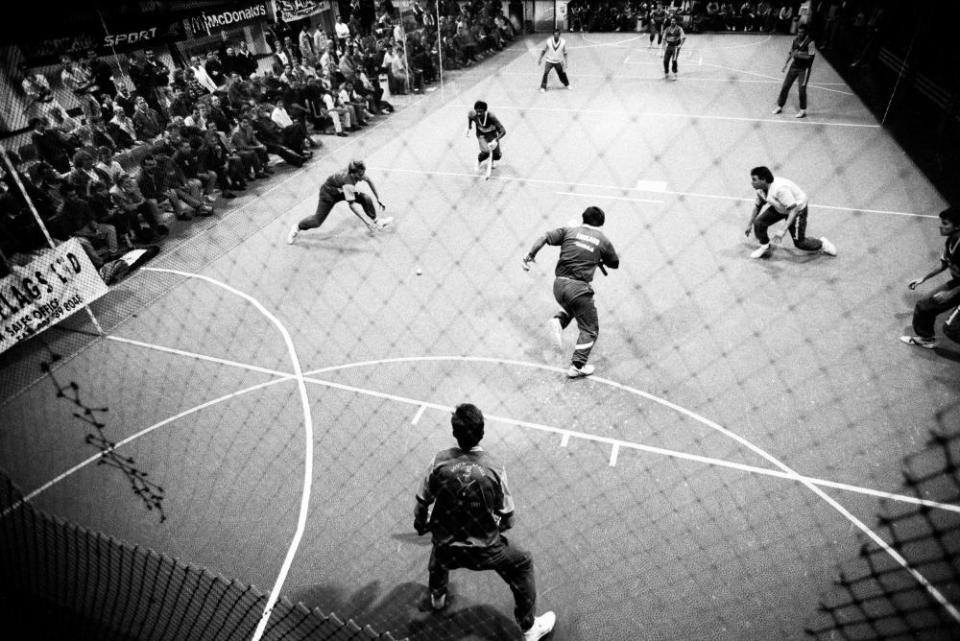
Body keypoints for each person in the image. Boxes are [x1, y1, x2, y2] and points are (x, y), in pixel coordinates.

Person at [413, 403, 557, 641]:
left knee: (438, 548)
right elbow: (509, 519)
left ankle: (437, 597)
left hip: (448, 548)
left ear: (454, 432)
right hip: (486, 550)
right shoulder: (494, 468)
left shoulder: (438, 462)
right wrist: (491, 526)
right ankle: (529, 627)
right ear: (482, 432)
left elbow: (421, 504)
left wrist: (421, 524)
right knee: (522, 563)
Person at [522, 206, 620, 378]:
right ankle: (577, 366)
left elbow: (544, 237)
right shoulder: (602, 240)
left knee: (574, 307)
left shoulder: (569, 230)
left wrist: (530, 255)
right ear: (601, 223)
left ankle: (558, 321)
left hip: (559, 286)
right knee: (590, 329)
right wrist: (600, 258)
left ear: (583, 218)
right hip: (579, 289)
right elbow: (614, 263)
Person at [287, 160, 392, 243]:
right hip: (328, 194)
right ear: (353, 174)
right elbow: (352, 206)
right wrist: (366, 222)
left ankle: (378, 222)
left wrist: (378, 198)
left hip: (340, 190)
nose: (362, 177)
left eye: (363, 173)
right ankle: (296, 227)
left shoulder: (356, 172)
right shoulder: (348, 182)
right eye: (360, 175)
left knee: (365, 198)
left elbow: (369, 181)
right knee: (317, 221)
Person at [744, 166, 836, 259]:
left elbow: (793, 209)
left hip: (797, 210)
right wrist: (749, 224)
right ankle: (765, 247)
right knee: (759, 223)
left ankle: (823, 244)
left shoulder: (780, 189)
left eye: (754, 180)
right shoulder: (761, 190)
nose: (752, 182)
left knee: (800, 243)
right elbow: (757, 207)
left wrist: (782, 230)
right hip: (781, 207)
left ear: (763, 179)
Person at [900, 207, 960, 349]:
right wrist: (923, 278)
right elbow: (944, 264)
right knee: (924, 306)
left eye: (945, 223)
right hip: (958, 283)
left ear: (957, 226)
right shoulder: (951, 241)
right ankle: (927, 339)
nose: (940, 226)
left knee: (950, 329)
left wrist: (950, 293)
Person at [772, 23, 814, 118]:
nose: (800, 34)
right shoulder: (795, 40)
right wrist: (786, 64)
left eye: (802, 32)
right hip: (794, 67)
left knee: (801, 90)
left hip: (804, 69)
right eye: (798, 32)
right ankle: (780, 106)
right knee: (785, 86)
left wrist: (799, 54)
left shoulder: (811, 43)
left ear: (805, 32)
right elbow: (791, 53)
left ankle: (803, 110)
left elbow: (810, 57)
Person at [465, 100, 506, 179]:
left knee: (497, 156)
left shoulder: (491, 117)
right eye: (477, 111)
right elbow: (469, 117)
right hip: (481, 135)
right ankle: (478, 161)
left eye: (481, 112)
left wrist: (495, 140)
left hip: (492, 134)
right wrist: (469, 127)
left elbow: (503, 131)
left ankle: (492, 160)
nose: (479, 113)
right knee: (486, 151)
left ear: (485, 111)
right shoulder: (472, 114)